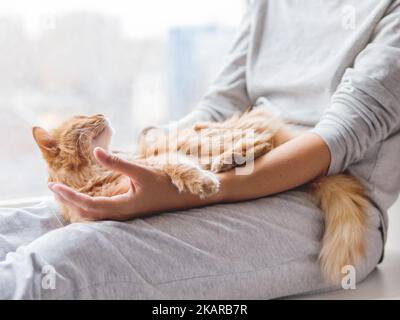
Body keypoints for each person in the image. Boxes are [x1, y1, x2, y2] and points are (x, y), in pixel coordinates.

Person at [1, 0, 400, 299]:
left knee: (69, 258)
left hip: (322, 192)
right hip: (232, 155)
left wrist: (186, 190)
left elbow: (338, 139)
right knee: (23, 223)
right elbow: (219, 106)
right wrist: (140, 161)